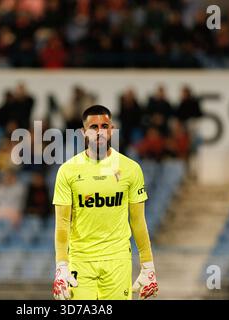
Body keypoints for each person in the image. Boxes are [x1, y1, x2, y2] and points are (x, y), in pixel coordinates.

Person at [52, 105, 158, 300]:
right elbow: (62, 224)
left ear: (111, 129)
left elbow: (138, 221)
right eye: (93, 127)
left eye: (104, 126)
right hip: (81, 260)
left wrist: (148, 264)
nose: (99, 131)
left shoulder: (131, 169)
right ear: (84, 132)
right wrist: (61, 265)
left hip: (117, 260)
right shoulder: (68, 171)